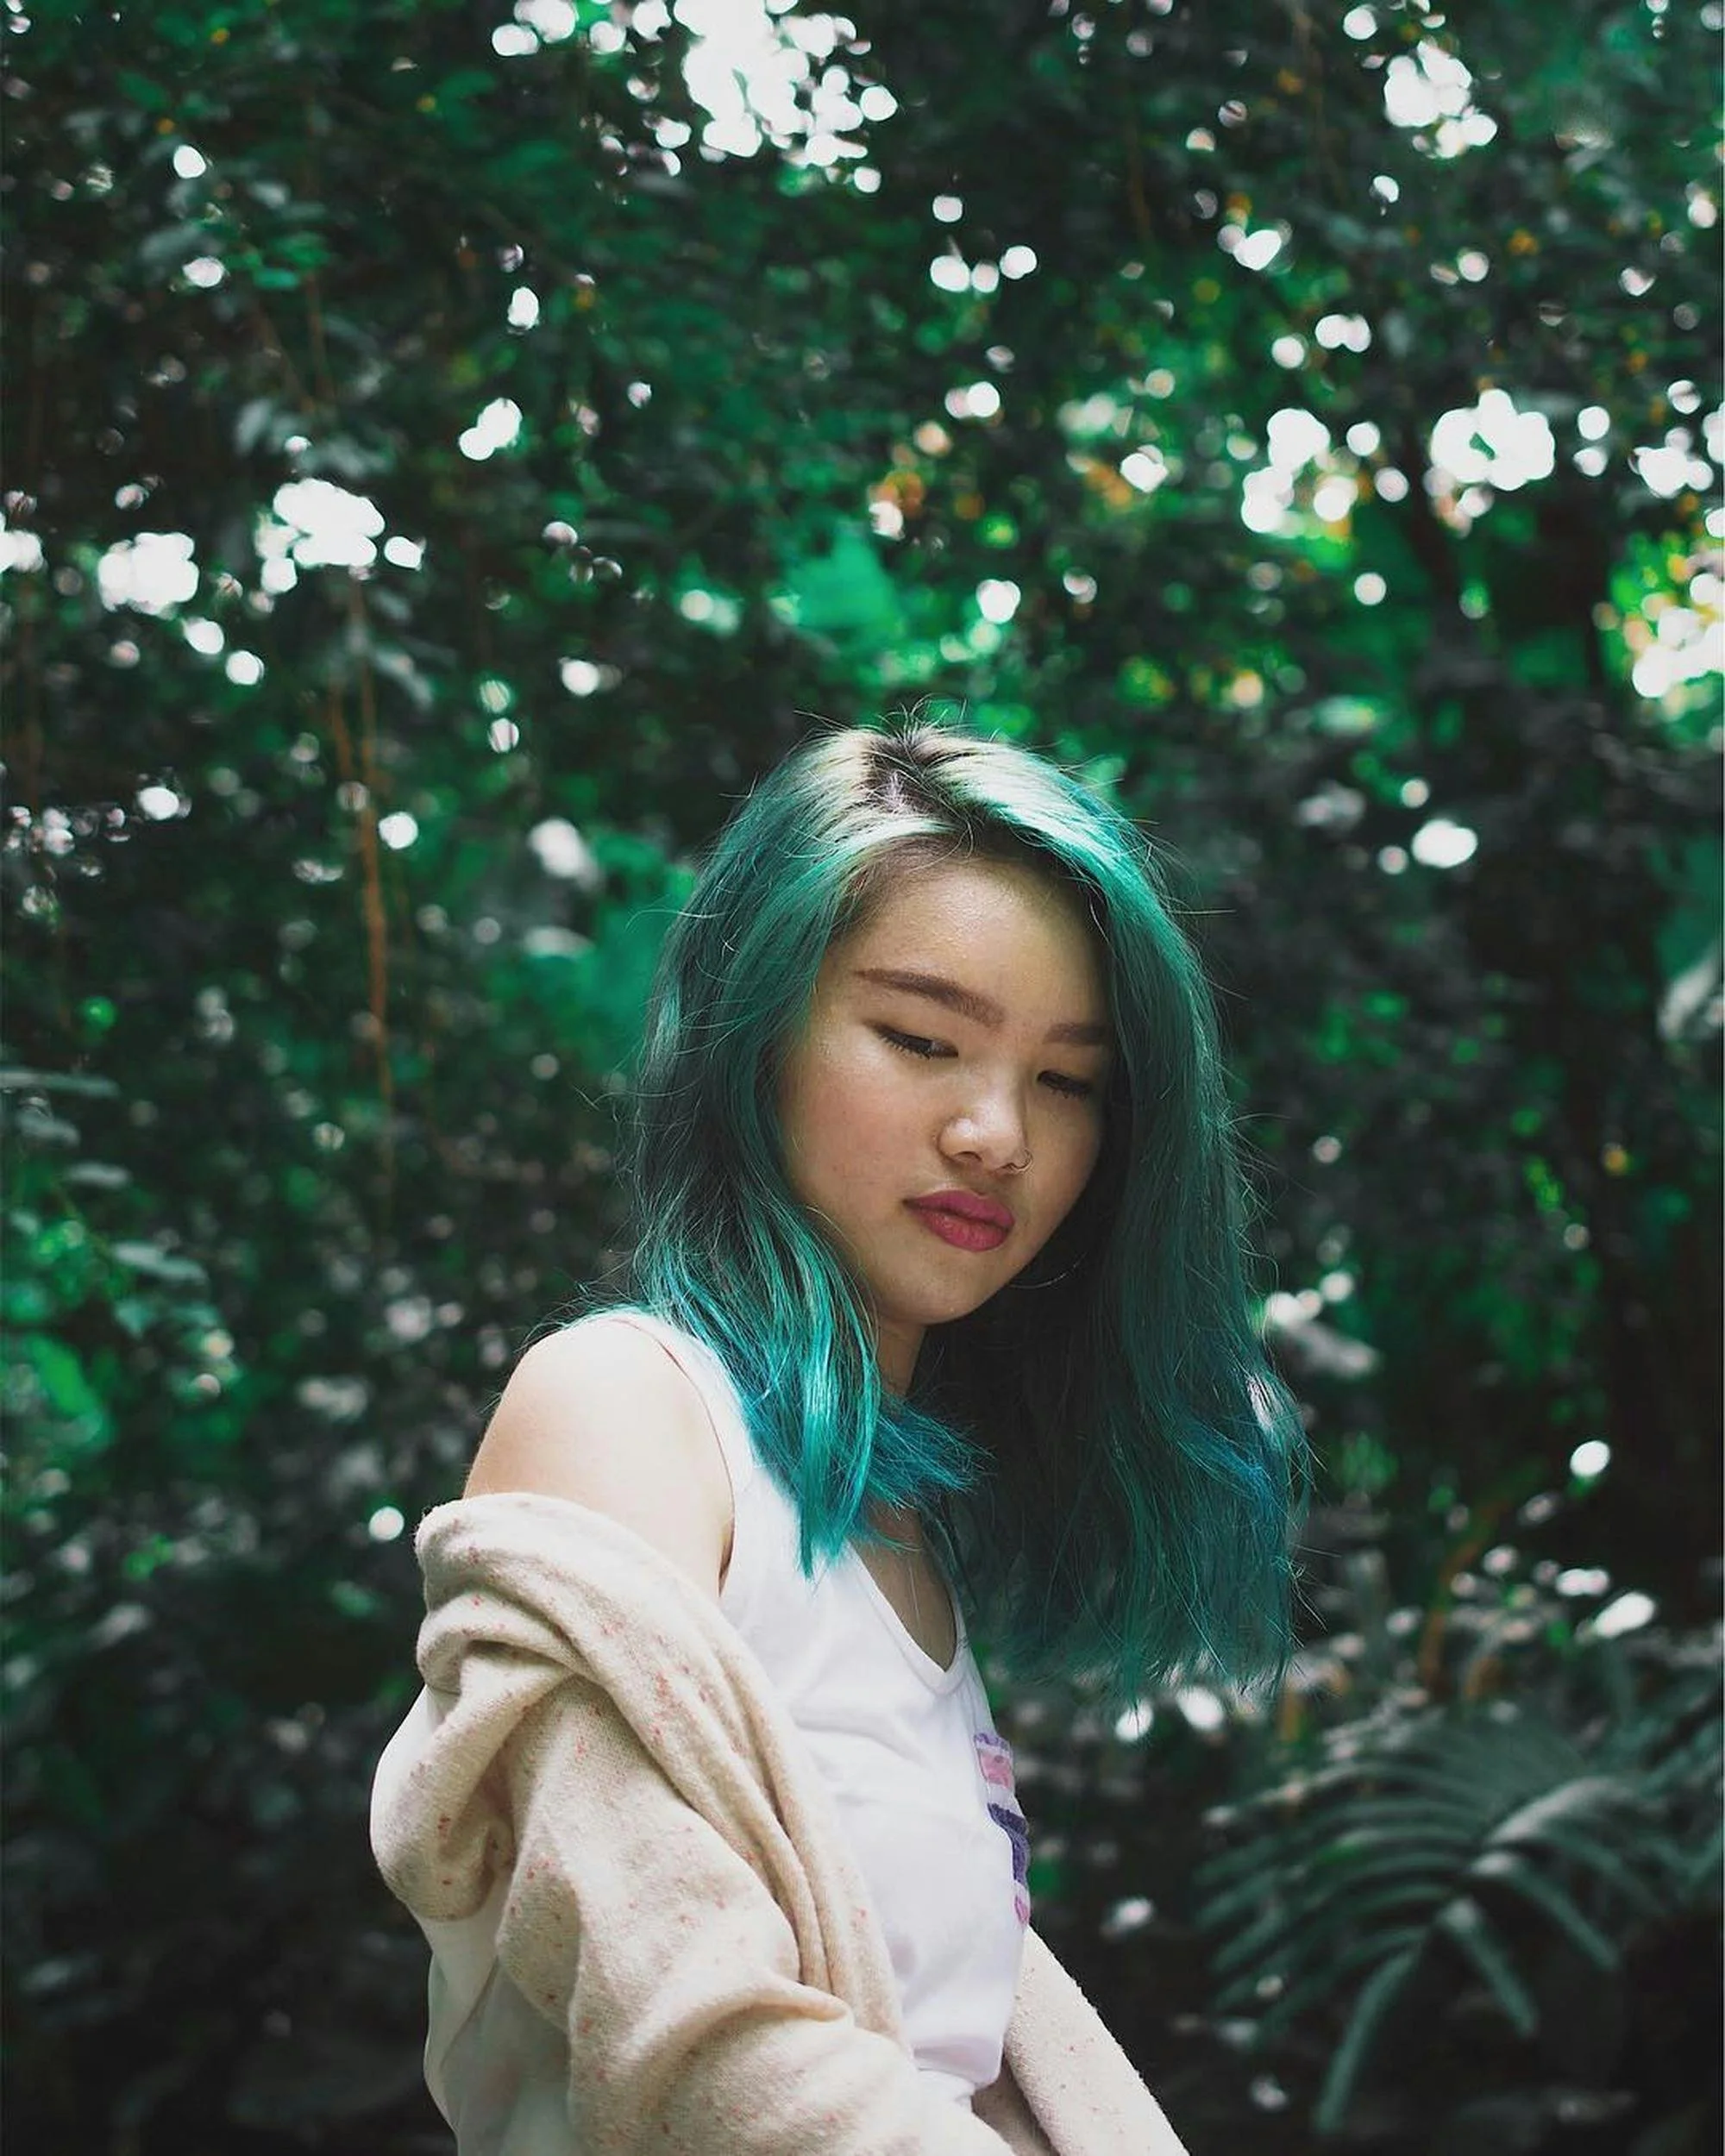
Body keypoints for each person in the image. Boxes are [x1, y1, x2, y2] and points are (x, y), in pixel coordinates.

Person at [371, 719, 1308, 2153]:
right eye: (922, 1039)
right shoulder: (627, 1409)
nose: (998, 1131)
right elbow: (694, 2047)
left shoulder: (899, 1528)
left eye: (1069, 1080)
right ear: (755, 1036)